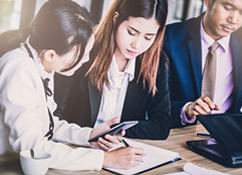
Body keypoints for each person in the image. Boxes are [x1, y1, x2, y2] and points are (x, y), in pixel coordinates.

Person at [0, 0, 144, 171]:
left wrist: (90, 135)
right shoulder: (19, 70)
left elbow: (46, 125)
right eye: (82, 54)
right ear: (51, 55)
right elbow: (33, 149)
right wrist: (104, 159)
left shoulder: (40, 63)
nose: (85, 60)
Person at [54, 0, 172, 140]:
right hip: (74, 146)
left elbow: (162, 126)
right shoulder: (83, 51)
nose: (137, 45)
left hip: (118, 149)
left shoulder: (156, 63)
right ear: (116, 20)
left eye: (148, 37)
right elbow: (53, 117)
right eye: (131, 32)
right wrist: (90, 136)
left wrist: (115, 132)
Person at [163, 0, 242, 128]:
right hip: (178, 131)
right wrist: (186, 109)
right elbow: (153, 101)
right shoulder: (170, 37)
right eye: (227, 8)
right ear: (208, 1)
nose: (233, 20)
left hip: (227, 131)